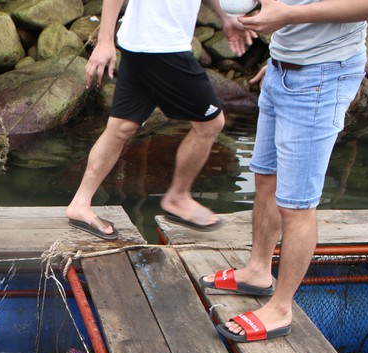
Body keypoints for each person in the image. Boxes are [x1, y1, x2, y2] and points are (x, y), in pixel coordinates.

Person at [209, 0, 368, 343]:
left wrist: (289, 16)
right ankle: (258, 271)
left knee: (297, 204)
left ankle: (280, 308)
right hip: (281, 68)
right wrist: (277, 57)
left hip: (321, 77)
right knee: (265, 176)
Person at [65, 0, 253, 240]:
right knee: (211, 124)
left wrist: (225, 17)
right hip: (163, 47)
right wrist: (104, 41)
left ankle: (80, 203)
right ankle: (178, 198)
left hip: (141, 44)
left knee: (121, 127)